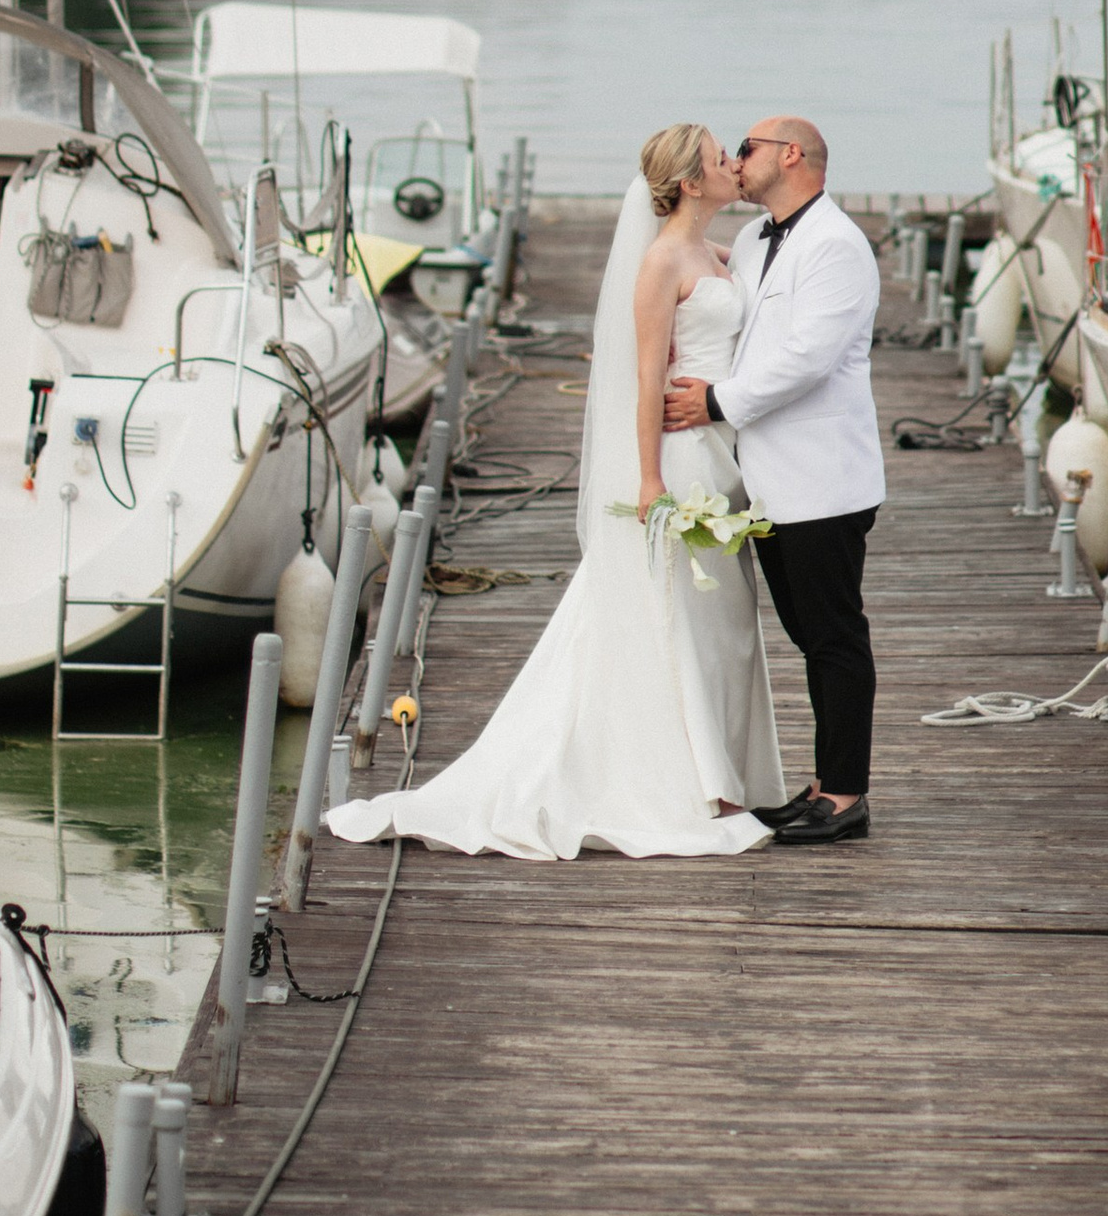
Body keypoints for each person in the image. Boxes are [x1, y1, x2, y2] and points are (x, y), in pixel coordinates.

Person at [325, 124, 783, 859]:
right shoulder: (662, 261)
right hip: (680, 459)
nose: (734, 165)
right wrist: (649, 478)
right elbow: (642, 377)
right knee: (678, 623)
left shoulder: (715, 251)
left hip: (722, 456)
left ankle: (718, 772)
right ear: (691, 183)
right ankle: (691, 784)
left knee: (720, 628)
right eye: (719, 159)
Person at [663, 112, 882, 846]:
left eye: (747, 148)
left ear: (791, 155)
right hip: (762, 481)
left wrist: (715, 403)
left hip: (822, 479)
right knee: (805, 634)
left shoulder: (838, 246)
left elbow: (807, 358)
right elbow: (725, 316)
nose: (736, 157)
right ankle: (821, 784)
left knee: (834, 637)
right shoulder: (756, 238)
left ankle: (846, 795)